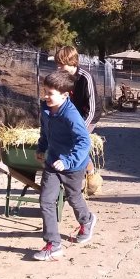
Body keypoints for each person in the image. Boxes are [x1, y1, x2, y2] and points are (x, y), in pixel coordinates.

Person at [33, 70, 97, 261]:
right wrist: (41, 147)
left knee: (73, 196)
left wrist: (68, 160)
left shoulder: (71, 115)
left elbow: (84, 142)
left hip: (73, 165)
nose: (46, 96)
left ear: (64, 95)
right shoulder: (46, 109)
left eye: (50, 93)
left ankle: (87, 220)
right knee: (46, 200)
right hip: (53, 162)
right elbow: (45, 131)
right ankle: (53, 244)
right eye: (45, 91)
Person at [54, 45, 101, 181]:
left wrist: (81, 127)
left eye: (61, 64)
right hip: (71, 116)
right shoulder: (62, 77)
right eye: (57, 64)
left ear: (71, 62)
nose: (58, 67)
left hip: (88, 116)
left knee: (78, 141)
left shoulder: (86, 77)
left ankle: (90, 174)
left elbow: (92, 109)